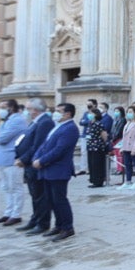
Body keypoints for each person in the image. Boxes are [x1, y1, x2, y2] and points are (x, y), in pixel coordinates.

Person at [32, 102, 79, 242]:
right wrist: (36, 157)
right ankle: (58, 225)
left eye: (59, 111)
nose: (55, 113)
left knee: (60, 200)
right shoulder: (58, 126)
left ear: (68, 114)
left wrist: (42, 161)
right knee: (51, 200)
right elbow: (44, 145)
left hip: (58, 169)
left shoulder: (70, 128)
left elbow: (59, 150)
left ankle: (67, 227)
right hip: (48, 169)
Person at [14, 99, 54, 233]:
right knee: (34, 194)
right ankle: (34, 219)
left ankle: (42, 223)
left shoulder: (45, 122)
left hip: (35, 164)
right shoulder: (35, 122)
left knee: (40, 195)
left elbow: (37, 146)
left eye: (28, 108)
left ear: (35, 110)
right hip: (29, 164)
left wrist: (24, 159)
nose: (27, 111)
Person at [0, 98, 28, 225]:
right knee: (6, 188)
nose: (0, 110)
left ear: (11, 108)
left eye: (2, 107)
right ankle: (8, 212)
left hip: (12, 158)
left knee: (15, 187)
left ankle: (16, 214)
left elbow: (0, 138)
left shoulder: (17, 120)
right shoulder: (6, 121)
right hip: (2, 159)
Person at [118, 103, 135, 191]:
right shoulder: (128, 123)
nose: (128, 113)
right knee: (127, 165)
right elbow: (124, 137)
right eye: (127, 112)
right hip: (126, 147)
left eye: (130, 112)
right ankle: (128, 181)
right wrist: (122, 147)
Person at [84, 105, 109, 188]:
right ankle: (93, 180)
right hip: (90, 146)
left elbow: (104, 135)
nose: (89, 115)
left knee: (97, 164)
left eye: (91, 113)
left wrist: (104, 144)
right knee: (91, 164)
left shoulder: (98, 124)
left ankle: (98, 181)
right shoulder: (90, 123)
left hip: (97, 147)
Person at [77, 98, 97, 176]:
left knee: (91, 152)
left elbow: (93, 122)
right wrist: (88, 121)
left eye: (90, 104)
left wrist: (86, 121)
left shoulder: (97, 112)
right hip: (85, 135)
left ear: (94, 105)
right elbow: (81, 122)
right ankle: (83, 168)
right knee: (83, 152)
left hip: (92, 135)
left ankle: (90, 168)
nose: (88, 106)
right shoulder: (86, 113)